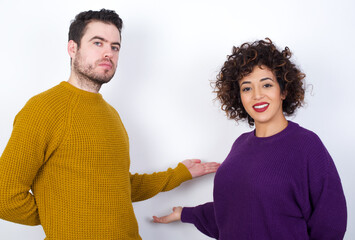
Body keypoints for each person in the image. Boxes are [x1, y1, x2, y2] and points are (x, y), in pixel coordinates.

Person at [0, 9, 220, 240]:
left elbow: (118, 187)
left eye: (115, 47)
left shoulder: (111, 115)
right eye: (98, 43)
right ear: (72, 48)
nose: (108, 53)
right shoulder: (43, 109)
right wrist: (58, 218)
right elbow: (5, 197)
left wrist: (179, 174)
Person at [153, 38, 347, 239]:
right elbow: (237, 210)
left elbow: (331, 222)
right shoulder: (240, 144)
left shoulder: (307, 145)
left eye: (267, 85)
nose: (257, 95)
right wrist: (186, 213)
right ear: (239, 97)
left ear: (284, 90)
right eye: (247, 88)